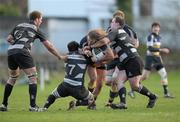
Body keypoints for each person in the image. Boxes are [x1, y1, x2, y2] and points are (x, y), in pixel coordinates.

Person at [88, 17, 158, 109]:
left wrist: (91, 46)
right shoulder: (117, 32)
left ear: (117, 24)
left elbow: (104, 41)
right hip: (125, 60)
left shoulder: (116, 31)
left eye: (112, 22)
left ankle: (152, 97)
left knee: (135, 86)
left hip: (132, 59)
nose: (110, 23)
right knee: (118, 81)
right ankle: (123, 103)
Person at [0, 10, 62, 112]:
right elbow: (49, 46)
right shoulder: (36, 29)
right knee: (33, 77)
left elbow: (8, 39)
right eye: (41, 19)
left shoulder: (19, 25)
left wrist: (16, 42)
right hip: (22, 51)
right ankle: (32, 106)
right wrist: (59, 56)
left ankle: (3, 104)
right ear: (37, 19)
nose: (41, 21)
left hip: (11, 51)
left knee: (12, 77)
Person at [38, 41, 114, 111]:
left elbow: (64, 57)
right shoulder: (84, 58)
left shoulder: (66, 57)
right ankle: (76, 103)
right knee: (91, 99)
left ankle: (44, 108)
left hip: (65, 85)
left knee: (53, 95)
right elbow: (94, 61)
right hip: (77, 88)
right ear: (78, 48)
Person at [105, 10, 139, 108]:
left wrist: (127, 49)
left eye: (119, 17)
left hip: (124, 57)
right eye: (115, 17)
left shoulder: (129, 30)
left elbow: (136, 43)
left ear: (121, 20)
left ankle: (113, 100)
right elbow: (107, 42)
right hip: (113, 57)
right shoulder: (109, 29)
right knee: (108, 81)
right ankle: (119, 89)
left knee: (117, 79)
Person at [141, 22, 174, 98]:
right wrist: (162, 50)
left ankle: (166, 93)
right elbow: (150, 48)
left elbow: (157, 50)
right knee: (145, 76)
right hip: (150, 58)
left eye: (157, 27)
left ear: (159, 28)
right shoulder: (150, 36)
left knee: (164, 74)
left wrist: (160, 57)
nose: (156, 28)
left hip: (157, 58)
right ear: (152, 28)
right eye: (154, 27)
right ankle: (133, 89)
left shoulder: (159, 37)